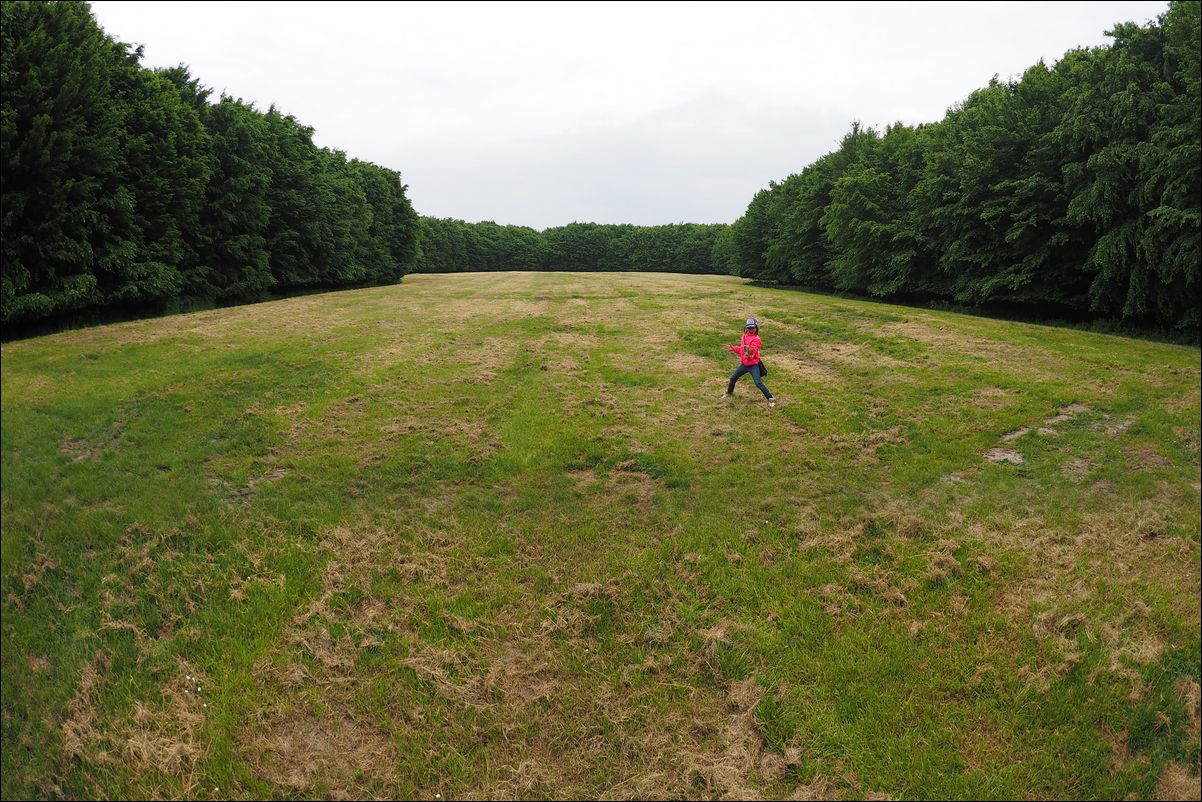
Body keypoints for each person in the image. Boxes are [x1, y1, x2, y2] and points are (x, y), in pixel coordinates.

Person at [723, 317, 775, 407]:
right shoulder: (743, 336)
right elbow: (741, 350)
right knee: (733, 378)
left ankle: (770, 399)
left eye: (752, 328)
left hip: (753, 365)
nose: (750, 330)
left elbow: (752, 352)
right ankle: (729, 392)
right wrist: (733, 348)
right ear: (746, 328)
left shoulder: (757, 339)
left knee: (758, 383)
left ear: (756, 328)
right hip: (744, 364)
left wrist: (749, 355)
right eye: (749, 328)